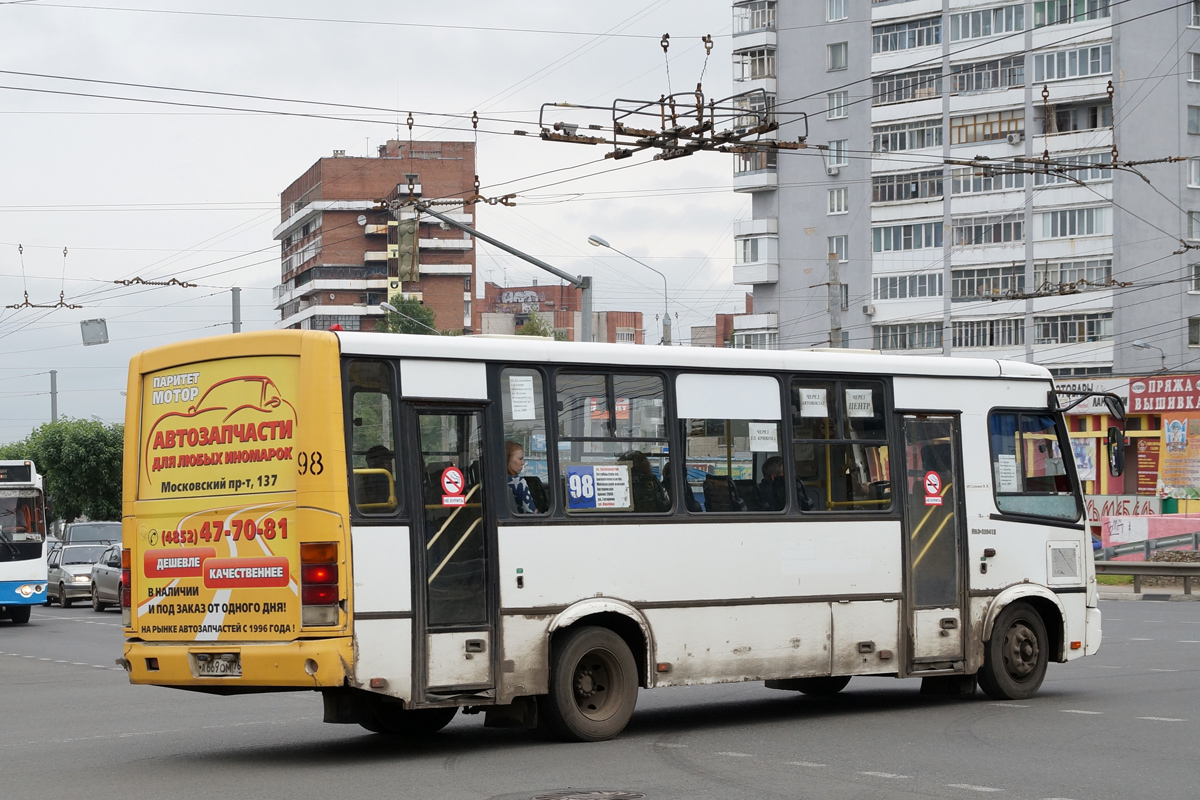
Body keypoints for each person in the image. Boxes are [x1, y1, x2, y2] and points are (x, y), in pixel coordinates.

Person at [506, 441, 537, 514]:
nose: (523, 463)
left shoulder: (495, 482)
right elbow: (531, 514)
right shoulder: (518, 482)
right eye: (520, 459)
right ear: (507, 460)